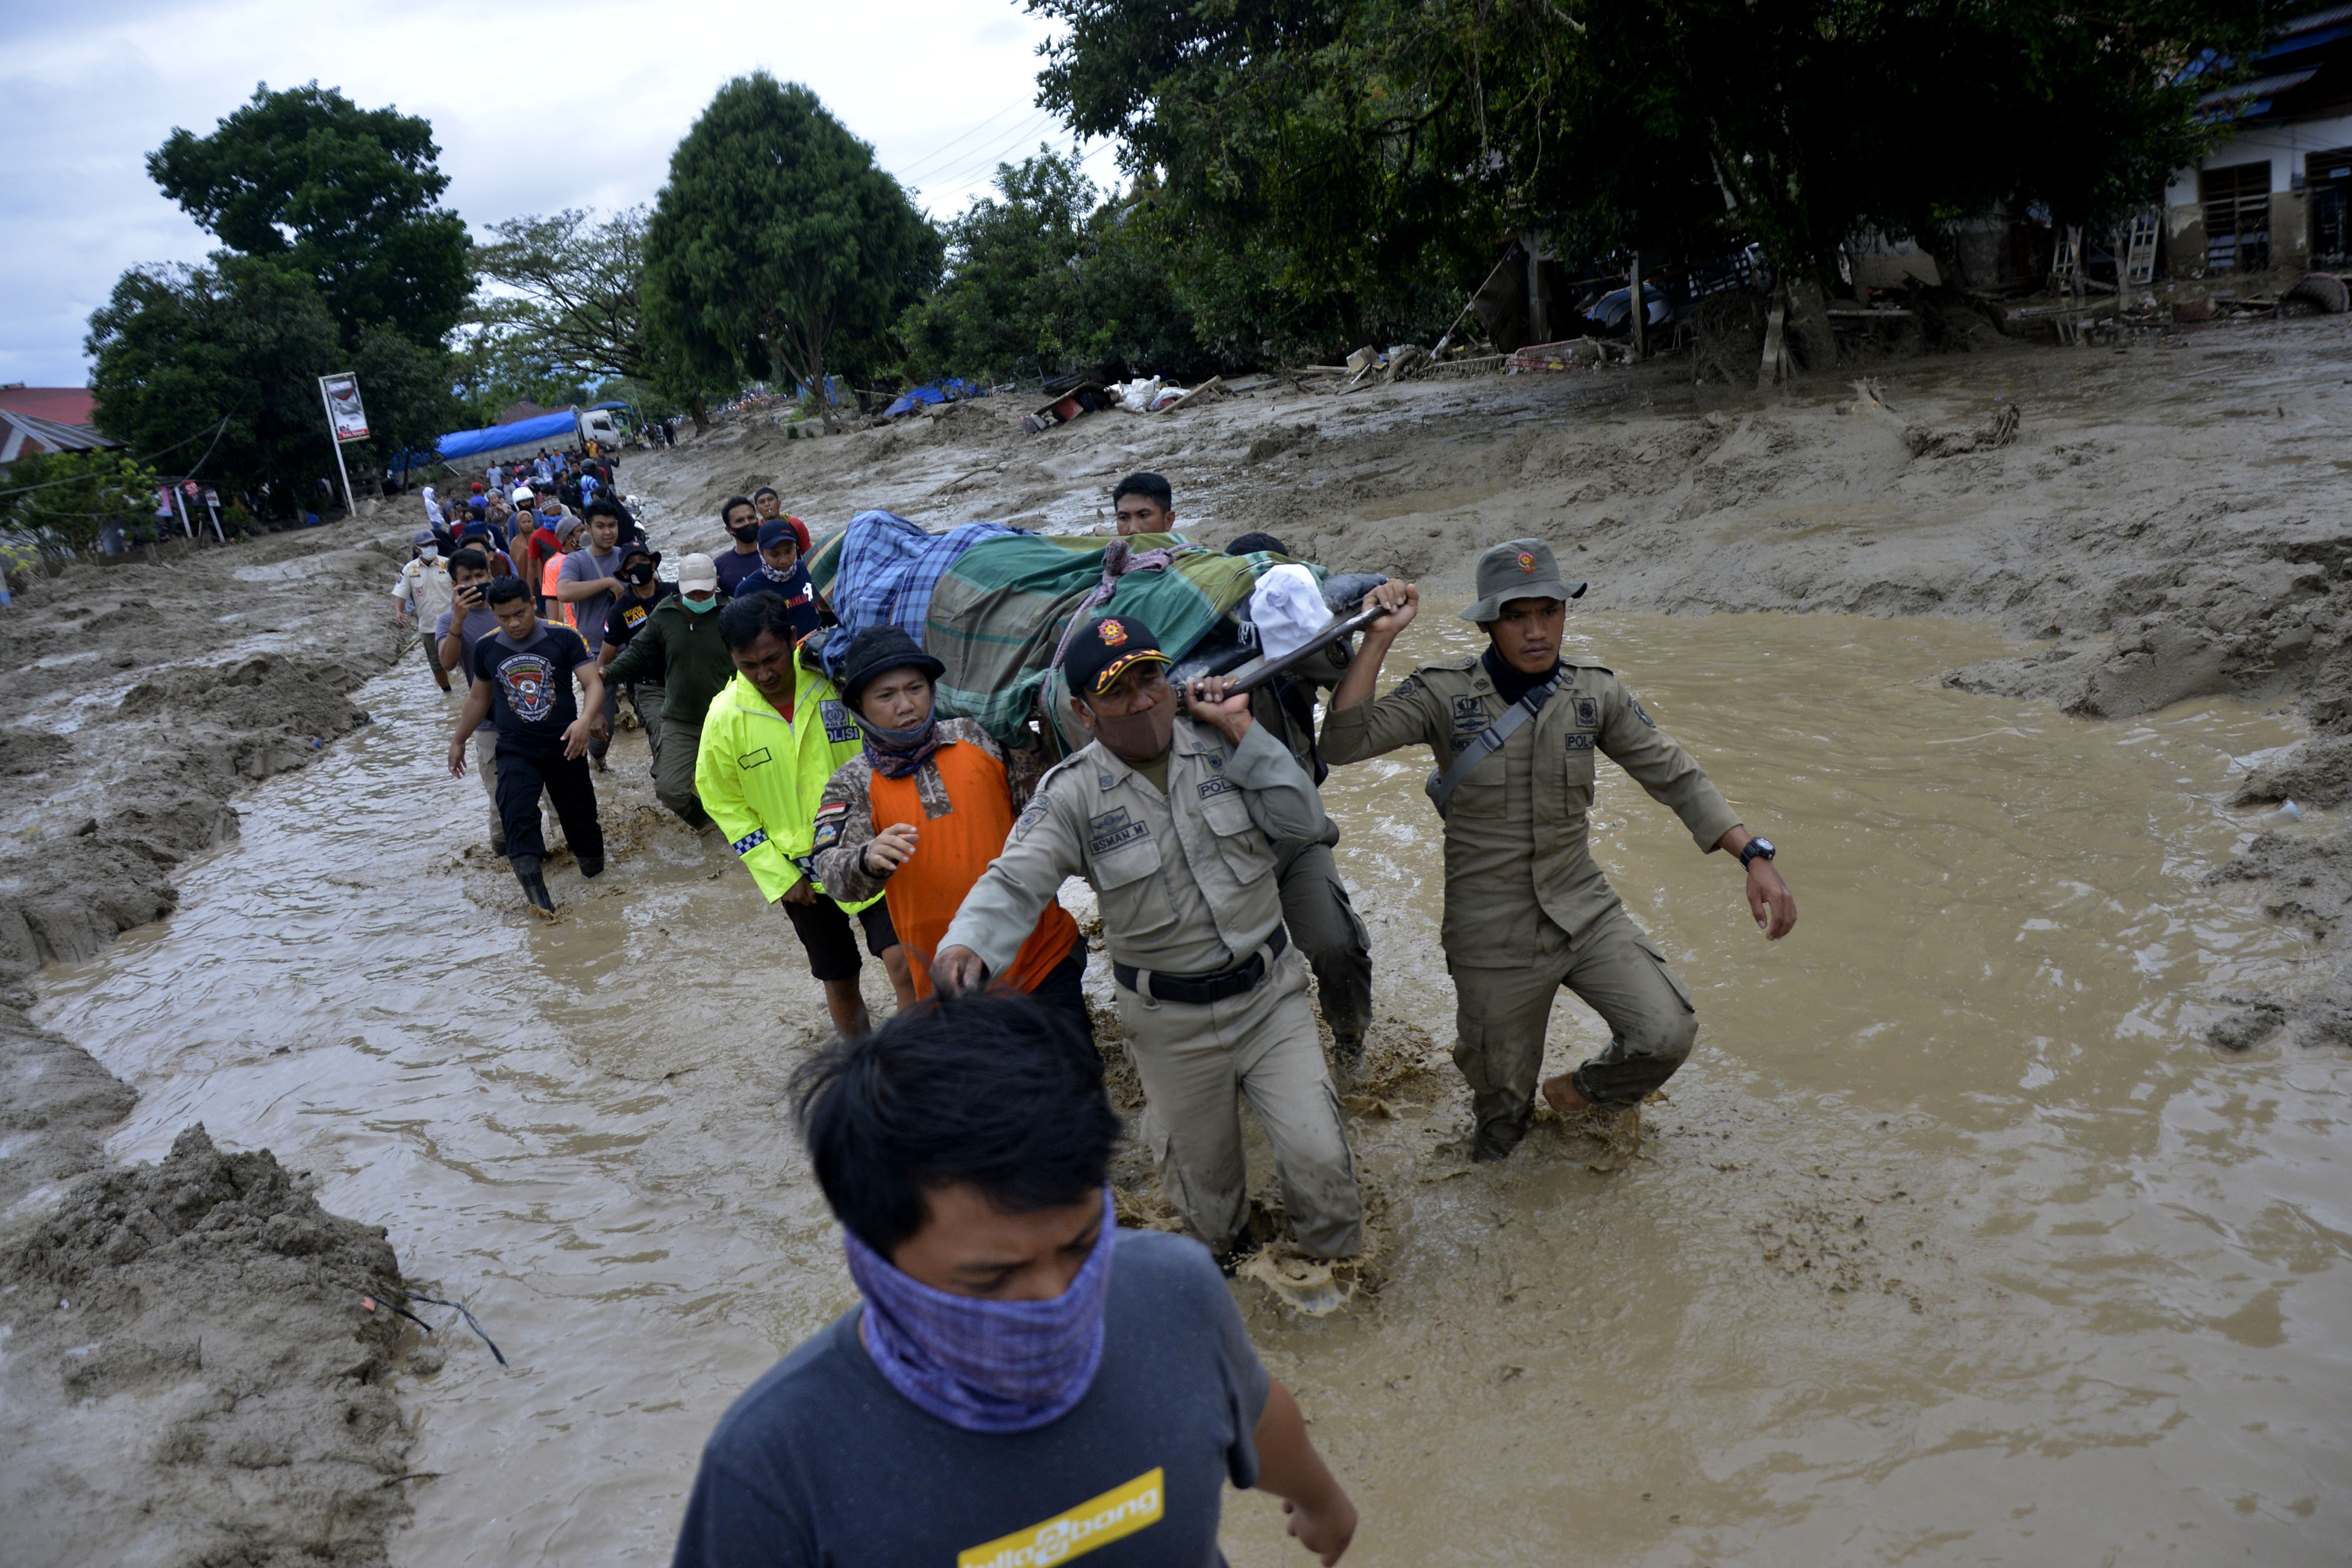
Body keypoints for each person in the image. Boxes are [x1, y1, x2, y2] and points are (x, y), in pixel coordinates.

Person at [671, 992, 1358, 1568]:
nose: (1054, 1299)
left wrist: (1322, 1500)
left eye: (1082, 1244)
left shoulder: (1173, 1290)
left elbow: (1254, 1411)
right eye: (991, 1277)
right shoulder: (770, 1469)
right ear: (874, 1262)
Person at [1321, 538, 1799, 1162]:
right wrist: (1378, 640)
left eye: (1549, 612)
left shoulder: (1592, 694)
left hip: (1582, 908)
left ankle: (1581, 1093)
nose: (1537, 630)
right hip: (1490, 931)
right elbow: (1342, 743)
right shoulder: (1444, 694)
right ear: (1490, 621)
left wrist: (1753, 856)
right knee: (1500, 1116)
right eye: (1518, 616)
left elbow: (1674, 775)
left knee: (1665, 1032)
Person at [934, 617, 1364, 1261]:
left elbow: (1303, 819)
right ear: (1083, 711)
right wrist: (966, 945)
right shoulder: (1071, 794)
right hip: (1171, 1026)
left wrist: (1241, 725)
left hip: (1269, 999)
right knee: (1208, 1207)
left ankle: (1335, 1285)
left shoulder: (1225, 743)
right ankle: (1229, 1282)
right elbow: (1015, 879)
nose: (1142, 701)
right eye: (1118, 691)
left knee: (1321, 1157)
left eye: (1151, 679)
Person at [808, 627, 1087, 1038]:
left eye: (916, 688)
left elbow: (1047, 805)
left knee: (1076, 1083)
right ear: (859, 706)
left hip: (1041, 957)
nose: (906, 705)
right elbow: (830, 873)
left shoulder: (979, 736)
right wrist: (866, 859)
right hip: (951, 985)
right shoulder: (851, 783)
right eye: (886, 696)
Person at [696, 592, 916, 1037]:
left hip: (871, 847)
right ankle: (861, 1064)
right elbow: (722, 802)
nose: (764, 674)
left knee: (905, 961)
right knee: (838, 976)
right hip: (801, 874)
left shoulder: (835, 681)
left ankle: (916, 1056)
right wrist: (777, 875)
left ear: (793, 638)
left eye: (771, 659)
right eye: (748, 665)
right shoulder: (724, 718)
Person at [1217, 533, 1375, 1065]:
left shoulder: (1300, 641)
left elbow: (1343, 674)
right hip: (1221, 846)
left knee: (1337, 945)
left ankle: (1350, 1042)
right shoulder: (1197, 654)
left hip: (1295, 834)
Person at [445, 576, 609, 913]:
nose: (514, 623)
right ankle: (541, 905)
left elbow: (592, 682)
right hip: (516, 747)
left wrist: (586, 718)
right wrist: (458, 739)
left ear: (532, 601)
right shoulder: (487, 648)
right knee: (516, 815)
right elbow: (478, 697)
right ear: (493, 613)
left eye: (520, 613)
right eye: (504, 617)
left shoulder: (564, 636)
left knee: (581, 824)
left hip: (566, 744)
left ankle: (598, 888)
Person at [604, 553, 734, 831]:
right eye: (693, 592)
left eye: (705, 591)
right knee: (670, 789)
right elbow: (638, 652)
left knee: (743, 783)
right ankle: (708, 827)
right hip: (682, 717)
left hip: (729, 717)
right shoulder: (664, 615)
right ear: (681, 587)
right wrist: (606, 673)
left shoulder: (733, 613)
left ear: (717, 583)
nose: (699, 598)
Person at [558, 500, 630, 768]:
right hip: (597, 653)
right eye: (600, 526)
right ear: (588, 528)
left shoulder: (626, 555)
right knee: (602, 725)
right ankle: (598, 762)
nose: (608, 532)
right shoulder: (577, 560)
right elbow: (564, 592)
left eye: (612, 525)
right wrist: (609, 582)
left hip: (633, 646)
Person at [599, 540, 671, 754]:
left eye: (643, 560)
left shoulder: (675, 593)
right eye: (631, 563)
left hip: (683, 678)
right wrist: (595, 712)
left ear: (653, 564)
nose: (639, 565)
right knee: (663, 739)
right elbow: (604, 661)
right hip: (647, 686)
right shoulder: (620, 611)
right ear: (624, 574)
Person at [734, 517, 824, 640]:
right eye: (774, 555)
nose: (784, 560)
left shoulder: (812, 569)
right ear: (761, 553)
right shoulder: (747, 591)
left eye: (789, 551)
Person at [392, 529, 456, 693]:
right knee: (436, 663)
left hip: (453, 623)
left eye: (433, 544)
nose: (432, 547)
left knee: (463, 658)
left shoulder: (448, 564)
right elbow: (401, 593)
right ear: (417, 549)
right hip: (428, 626)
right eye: (427, 545)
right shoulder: (409, 570)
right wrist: (399, 611)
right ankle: (447, 693)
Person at [713, 494, 764, 596]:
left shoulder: (776, 554)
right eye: (740, 521)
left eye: (751, 518)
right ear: (729, 530)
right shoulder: (720, 566)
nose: (747, 523)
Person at [1111, 472, 1184, 539]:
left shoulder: (1189, 551)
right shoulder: (1105, 552)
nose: (1133, 530)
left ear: (1168, 520)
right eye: (1124, 518)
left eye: (1144, 516)